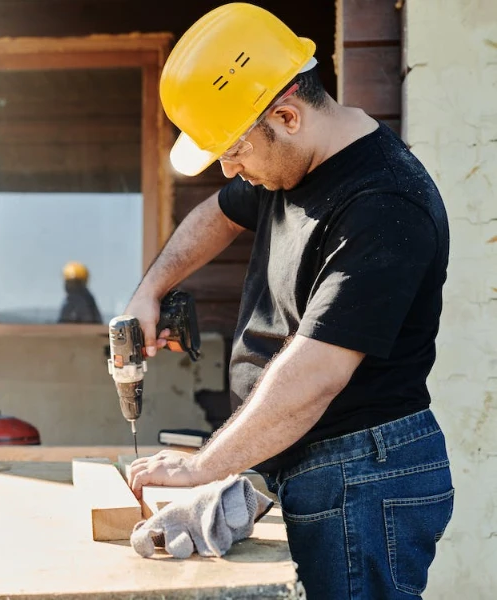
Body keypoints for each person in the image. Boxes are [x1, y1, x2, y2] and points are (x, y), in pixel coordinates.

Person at [125, 4, 453, 599]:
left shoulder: (385, 205)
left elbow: (318, 372)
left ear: (286, 114)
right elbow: (218, 215)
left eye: (233, 149)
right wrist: (152, 288)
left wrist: (206, 466)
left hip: (362, 474)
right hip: (308, 454)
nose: (230, 168)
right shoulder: (291, 161)